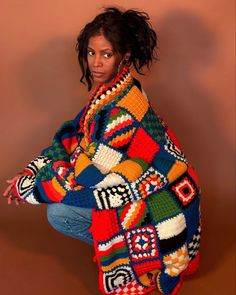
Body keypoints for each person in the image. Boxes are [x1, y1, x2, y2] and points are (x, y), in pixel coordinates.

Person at [3, 7, 201, 295]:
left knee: (59, 214)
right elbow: (74, 134)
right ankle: (120, 246)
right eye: (91, 53)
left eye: (106, 54)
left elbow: (89, 178)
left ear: (125, 56)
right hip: (145, 182)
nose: (96, 63)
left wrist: (30, 189)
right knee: (70, 192)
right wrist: (32, 170)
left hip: (159, 195)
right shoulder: (113, 90)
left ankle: (138, 260)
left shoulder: (121, 107)